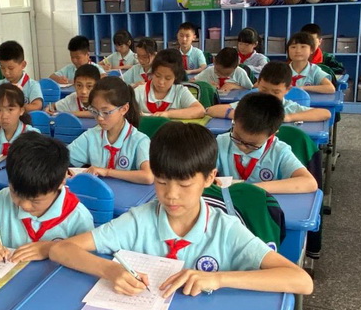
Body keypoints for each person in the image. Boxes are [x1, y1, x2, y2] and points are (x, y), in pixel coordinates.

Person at [49, 122, 313, 297]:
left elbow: (301, 280)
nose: (171, 195)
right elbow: (61, 249)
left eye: (185, 184)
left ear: (210, 178)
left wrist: (219, 279)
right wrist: (110, 270)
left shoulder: (225, 229)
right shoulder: (139, 220)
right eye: (162, 182)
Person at [0, 132, 94, 263]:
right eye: (16, 193)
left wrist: (51, 248)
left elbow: (87, 261)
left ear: (61, 182)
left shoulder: (78, 217)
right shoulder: (3, 199)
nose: (24, 205)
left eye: (35, 200)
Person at [216, 92, 317, 194]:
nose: (242, 146)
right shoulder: (220, 142)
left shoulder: (279, 151)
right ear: (234, 120)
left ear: (272, 134)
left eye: (251, 145)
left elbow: (310, 183)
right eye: (237, 138)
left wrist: (252, 188)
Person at [68, 76, 152, 184]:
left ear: (124, 109)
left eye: (106, 112)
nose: (99, 118)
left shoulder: (139, 140)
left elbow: (148, 176)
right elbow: (62, 159)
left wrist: (107, 172)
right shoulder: (91, 136)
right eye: (95, 111)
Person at [206, 61, 331, 122]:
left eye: (275, 92)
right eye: (264, 90)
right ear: (258, 84)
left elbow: (325, 113)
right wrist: (242, 115)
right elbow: (211, 110)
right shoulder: (250, 104)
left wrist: (288, 117)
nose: (268, 96)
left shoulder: (288, 108)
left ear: (287, 90)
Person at [133, 49, 205, 119]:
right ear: (152, 72)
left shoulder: (180, 91)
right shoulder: (139, 91)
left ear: (175, 77)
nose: (161, 82)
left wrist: (168, 114)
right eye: (157, 76)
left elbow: (200, 110)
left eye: (168, 78)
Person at [0, 41, 43, 112]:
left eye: (11, 68)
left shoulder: (32, 85)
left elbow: (37, 106)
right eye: (2, 68)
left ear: (23, 65)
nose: (6, 72)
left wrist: (12, 109)